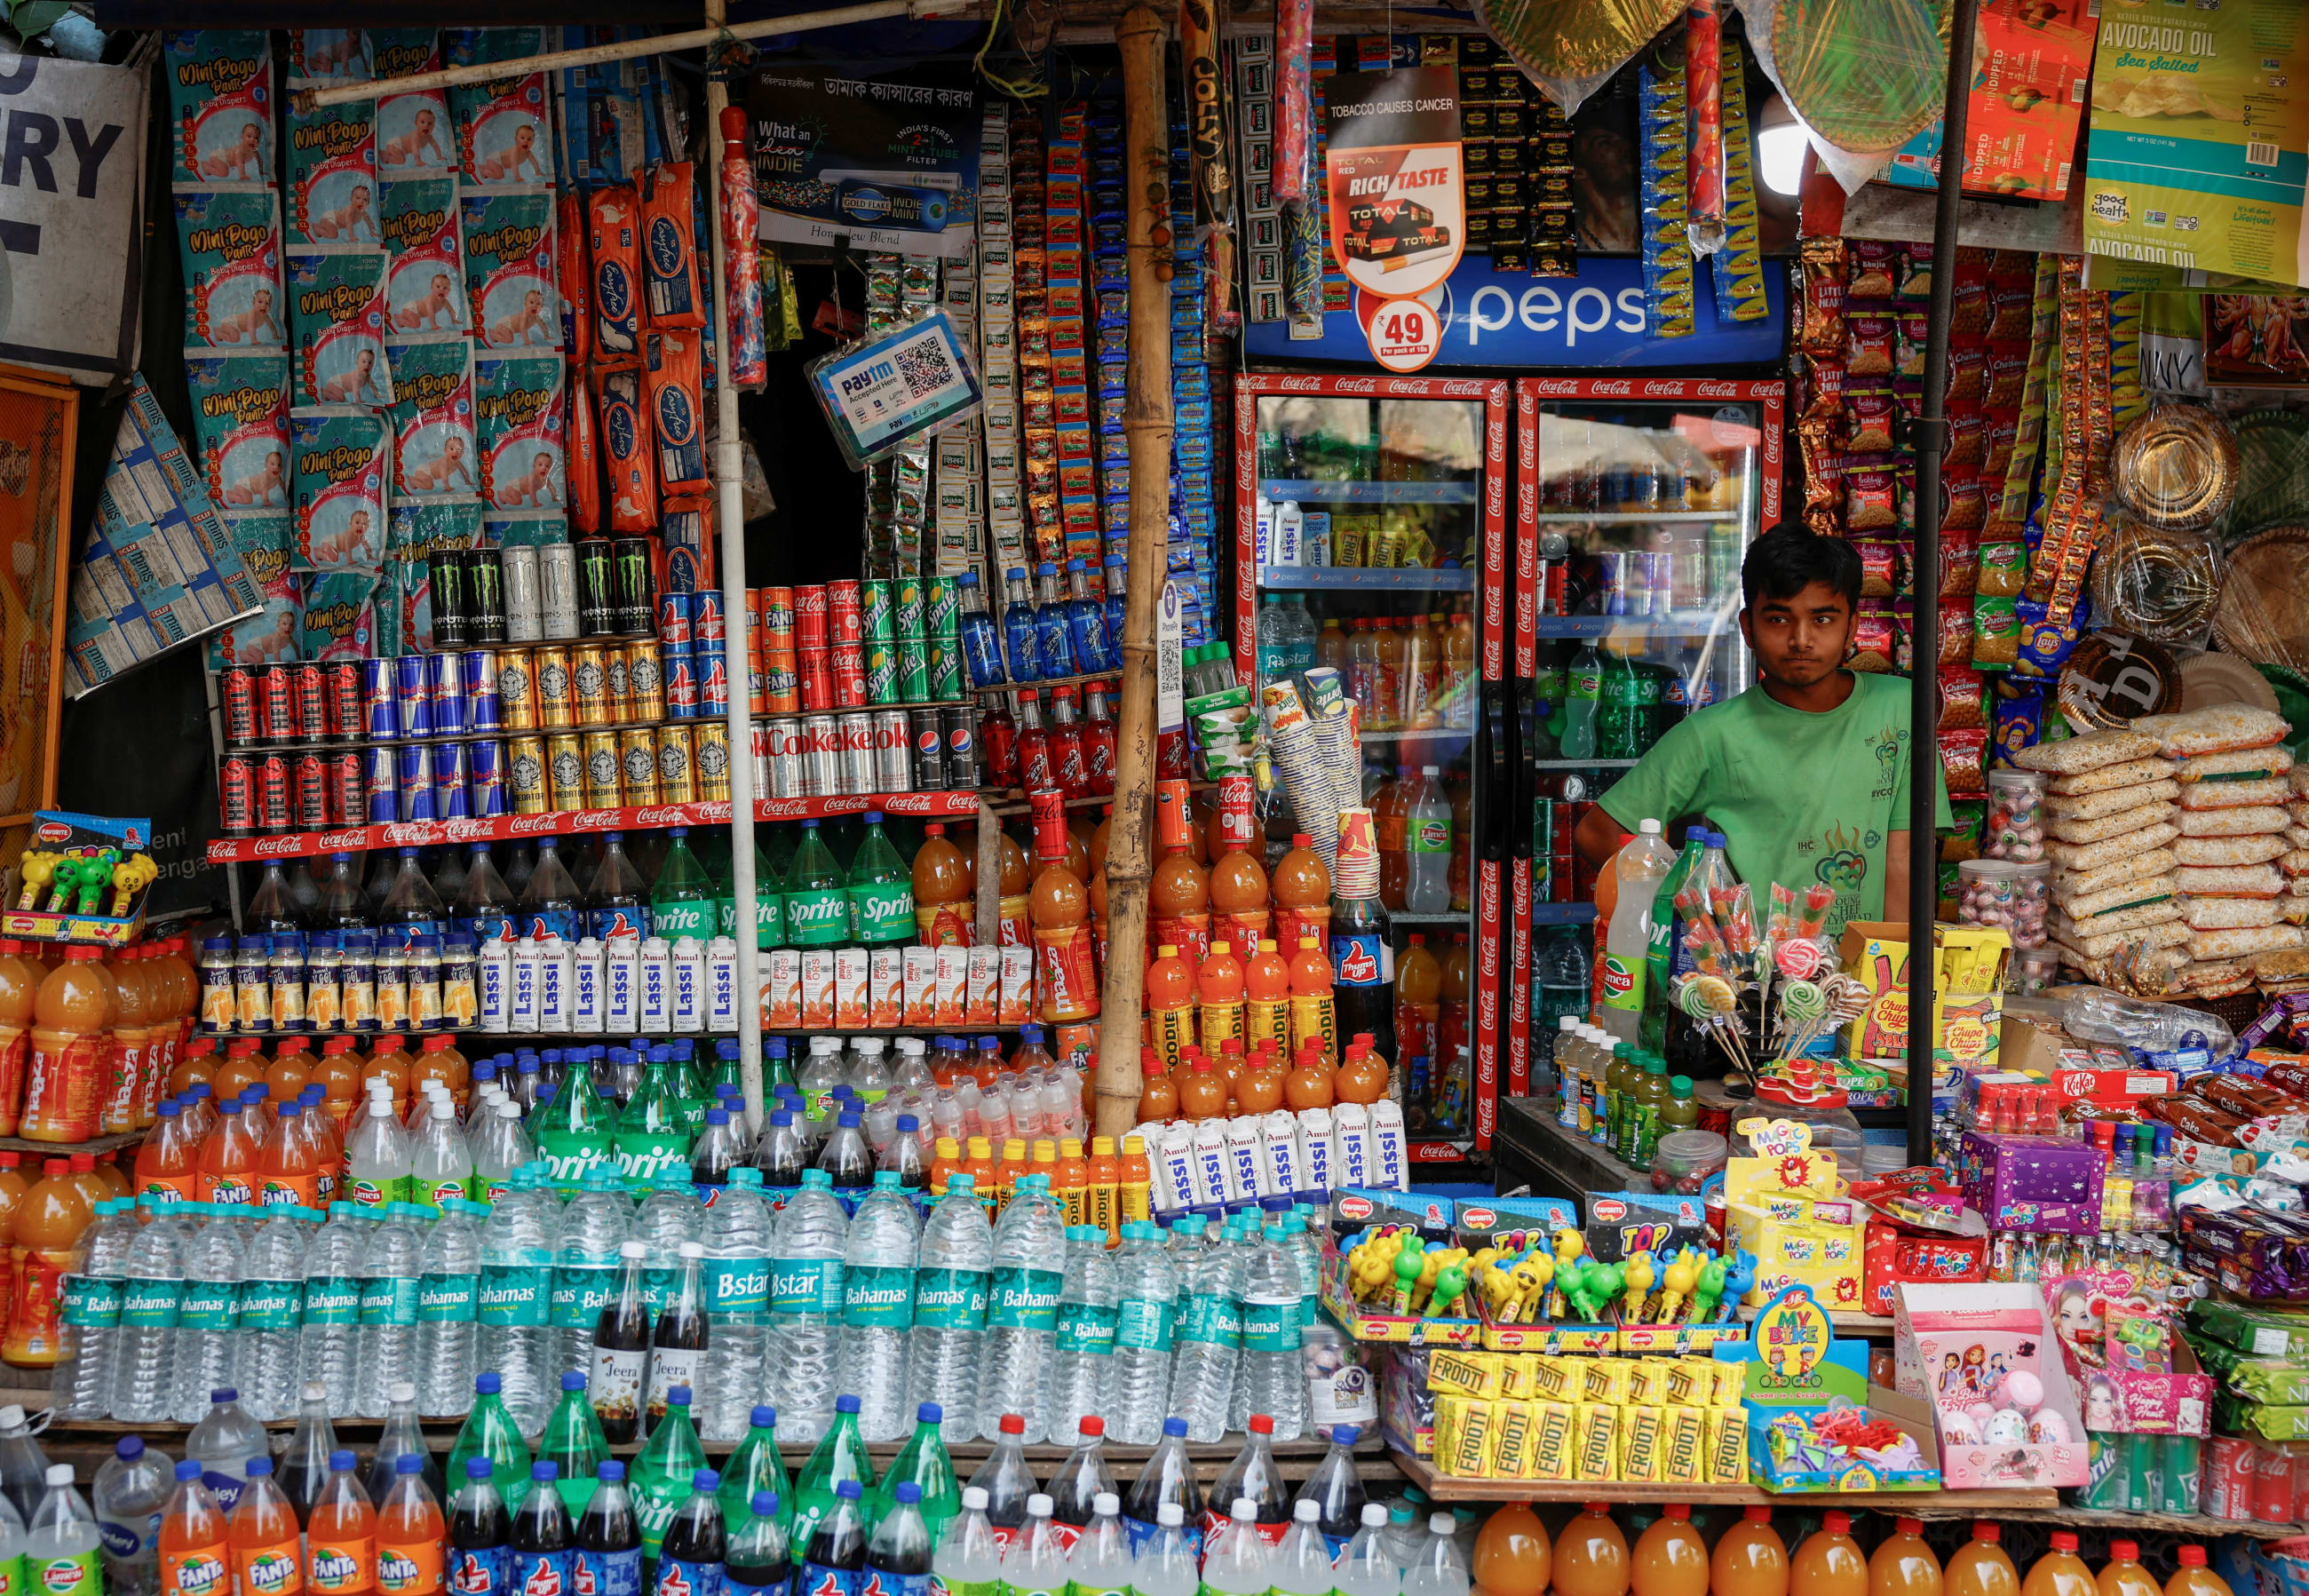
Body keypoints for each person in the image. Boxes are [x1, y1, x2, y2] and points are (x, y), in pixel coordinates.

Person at [1573, 528, 1952, 942]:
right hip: (1753, 988)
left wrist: (1892, 983)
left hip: (1865, 983)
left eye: (1822, 619)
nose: (1801, 639)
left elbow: (1904, 860)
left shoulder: (1901, 708)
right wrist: (1690, 912)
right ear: (1748, 628)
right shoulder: (1711, 734)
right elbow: (1597, 833)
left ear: (1852, 627)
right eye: (1778, 619)